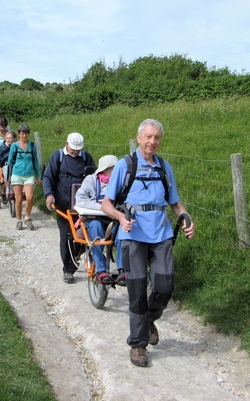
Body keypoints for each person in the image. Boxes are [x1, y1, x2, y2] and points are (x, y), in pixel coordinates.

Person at [101, 119, 195, 368]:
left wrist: (185, 217)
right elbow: (106, 204)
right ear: (139, 137)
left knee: (165, 285)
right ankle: (138, 345)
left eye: (157, 138)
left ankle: (149, 319)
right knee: (137, 288)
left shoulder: (165, 167)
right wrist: (121, 217)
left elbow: (174, 202)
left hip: (161, 234)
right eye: (148, 137)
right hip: (132, 236)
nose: (152, 141)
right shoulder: (125, 165)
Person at [43, 132, 95, 284]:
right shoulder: (58, 157)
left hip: (82, 207)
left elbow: (93, 179)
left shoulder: (86, 158)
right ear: (66, 144)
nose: (75, 152)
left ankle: (77, 257)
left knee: (80, 236)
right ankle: (68, 269)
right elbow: (48, 177)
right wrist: (49, 195)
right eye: (73, 149)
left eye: (78, 150)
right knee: (66, 237)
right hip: (64, 205)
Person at [74, 154, 124, 285]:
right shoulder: (91, 180)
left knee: (122, 233)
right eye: (114, 168)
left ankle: (122, 269)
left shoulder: (121, 182)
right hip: (94, 218)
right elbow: (80, 200)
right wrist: (103, 207)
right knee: (95, 227)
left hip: (114, 219)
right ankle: (101, 270)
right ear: (105, 169)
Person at [7, 124, 41, 230]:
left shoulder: (32, 146)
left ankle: (27, 217)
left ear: (28, 134)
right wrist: (8, 176)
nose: (24, 135)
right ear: (19, 134)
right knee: (18, 198)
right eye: (22, 133)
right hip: (17, 174)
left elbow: (35, 161)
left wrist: (39, 175)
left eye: (26, 133)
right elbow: (9, 162)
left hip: (29, 175)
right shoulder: (14, 146)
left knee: (30, 197)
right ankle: (18, 220)